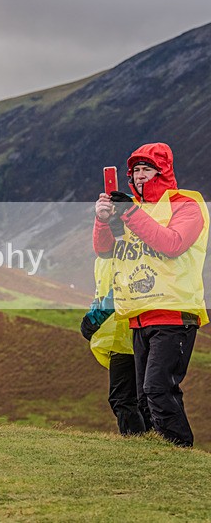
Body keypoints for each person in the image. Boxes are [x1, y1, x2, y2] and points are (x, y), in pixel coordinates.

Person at [94, 143, 208, 447]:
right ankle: (161, 456)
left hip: (174, 312)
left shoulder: (186, 205)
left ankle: (180, 451)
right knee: (145, 395)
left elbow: (171, 244)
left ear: (163, 172)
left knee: (159, 388)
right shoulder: (133, 209)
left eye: (147, 169)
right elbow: (105, 250)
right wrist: (103, 218)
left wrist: (130, 212)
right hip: (139, 315)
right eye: (135, 171)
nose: (140, 176)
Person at [80, 258, 151, 436]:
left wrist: (96, 317)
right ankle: (151, 443)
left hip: (125, 337)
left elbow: (123, 287)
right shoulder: (102, 259)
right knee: (140, 398)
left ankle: (138, 446)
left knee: (124, 399)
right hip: (127, 335)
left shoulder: (123, 251)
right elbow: (102, 292)